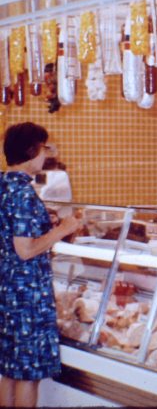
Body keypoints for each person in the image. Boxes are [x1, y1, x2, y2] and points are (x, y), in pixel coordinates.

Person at [0, 122, 80, 408]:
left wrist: (44, 219)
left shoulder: (5, 185)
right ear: (32, 151)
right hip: (26, 292)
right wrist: (63, 228)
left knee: (9, 369)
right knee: (27, 375)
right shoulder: (23, 193)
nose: (46, 155)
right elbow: (25, 250)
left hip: (8, 288)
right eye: (44, 148)